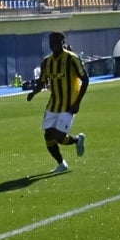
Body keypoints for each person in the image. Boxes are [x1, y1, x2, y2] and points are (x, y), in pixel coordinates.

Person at [26, 31, 88, 174]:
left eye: (56, 41)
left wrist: (78, 102)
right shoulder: (47, 62)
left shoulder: (72, 59)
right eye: (51, 42)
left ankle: (77, 140)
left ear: (62, 42)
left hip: (69, 104)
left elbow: (85, 79)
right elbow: (42, 82)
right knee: (48, 136)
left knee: (58, 136)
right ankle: (61, 164)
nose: (53, 44)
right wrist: (33, 93)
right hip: (53, 105)